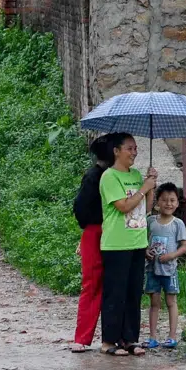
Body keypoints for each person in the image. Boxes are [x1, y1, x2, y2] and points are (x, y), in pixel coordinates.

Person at [98, 133, 157, 356]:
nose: (134, 153)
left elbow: (146, 208)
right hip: (116, 244)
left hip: (137, 241)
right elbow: (123, 206)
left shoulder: (136, 175)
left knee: (133, 293)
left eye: (135, 149)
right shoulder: (109, 177)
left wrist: (151, 185)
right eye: (129, 148)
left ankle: (129, 338)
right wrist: (143, 188)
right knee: (115, 293)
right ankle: (109, 341)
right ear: (116, 151)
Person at [71, 134, 114, 352]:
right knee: (93, 284)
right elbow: (81, 208)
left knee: (105, 286)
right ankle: (83, 337)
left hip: (105, 231)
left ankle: (90, 337)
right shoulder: (94, 177)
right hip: (98, 231)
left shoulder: (111, 176)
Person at [145, 183, 186, 349]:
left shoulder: (178, 224)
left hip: (170, 271)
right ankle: (152, 337)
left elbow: (184, 247)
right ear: (157, 202)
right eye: (164, 200)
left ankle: (172, 336)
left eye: (172, 200)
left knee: (171, 302)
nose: (168, 204)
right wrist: (145, 251)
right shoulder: (150, 221)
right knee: (154, 303)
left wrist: (171, 256)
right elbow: (143, 241)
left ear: (177, 203)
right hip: (152, 269)